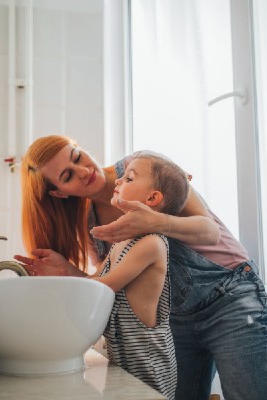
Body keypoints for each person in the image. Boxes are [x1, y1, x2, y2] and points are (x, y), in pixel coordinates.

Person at [15, 135, 267, 400]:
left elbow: (210, 232)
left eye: (77, 156)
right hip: (176, 322)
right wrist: (67, 271)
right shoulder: (93, 225)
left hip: (230, 297)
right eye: (68, 175)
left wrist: (154, 221)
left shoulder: (141, 166)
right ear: (60, 192)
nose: (85, 171)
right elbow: (108, 282)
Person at [23, 152, 188, 399]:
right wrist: (54, 279)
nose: (119, 180)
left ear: (152, 198)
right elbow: (93, 281)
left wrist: (54, 293)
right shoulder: (121, 242)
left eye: (129, 179)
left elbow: (103, 287)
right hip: (124, 362)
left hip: (151, 366)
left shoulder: (151, 243)